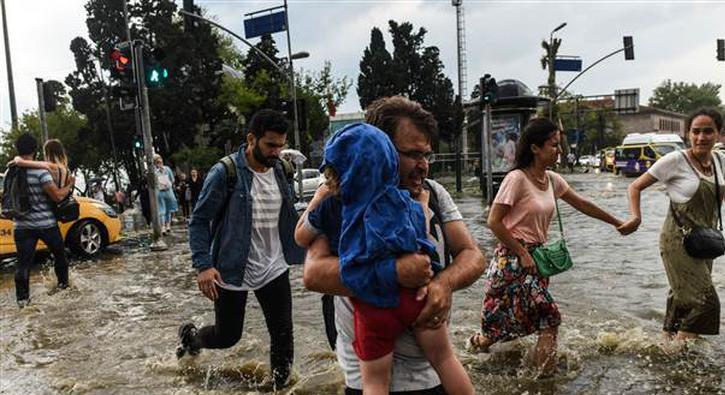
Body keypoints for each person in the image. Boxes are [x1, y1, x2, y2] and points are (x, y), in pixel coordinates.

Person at [302, 96, 485, 394]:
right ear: (379, 149)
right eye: (412, 154)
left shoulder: (433, 193)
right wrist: (394, 271)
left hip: (431, 375)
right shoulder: (342, 198)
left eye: (427, 154)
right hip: (368, 378)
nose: (423, 166)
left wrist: (443, 284)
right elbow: (313, 273)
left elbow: (473, 255)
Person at [468, 118, 625, 376]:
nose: (560, 150)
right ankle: (545, 382)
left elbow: (583, 203)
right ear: (535, 148)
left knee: (510, 324)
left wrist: (617, 222)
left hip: (537, 262)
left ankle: (480, 342)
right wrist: (521, 252)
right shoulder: (516, 179)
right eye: (554, 145)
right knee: (549, 319)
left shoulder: (552, 180)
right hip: (513, 261)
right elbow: (493, 222)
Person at [176, 109, 304, 389]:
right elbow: (198, 220)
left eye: (281, 145)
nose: (276, 152)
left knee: (283, 334)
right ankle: (192, 338)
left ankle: (279, 389)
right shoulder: (226, 173)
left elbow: (288, 215)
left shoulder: (282, 170)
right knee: (228, 336)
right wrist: (203, 265)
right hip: (232, 267)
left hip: (274, 266)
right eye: (270, 145)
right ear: (251, 139)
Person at [619, 108, 723, 345]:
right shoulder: (675, 160)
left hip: (707, 241)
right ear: (688, 133)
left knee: (683, 296)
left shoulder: (720, 161)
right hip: (678, 241)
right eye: (696, 131)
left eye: (708, 131)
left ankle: (665, 348)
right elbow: (634, 187)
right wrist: (636, 216)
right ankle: (679, 356)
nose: (701, 137)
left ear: (718, 134)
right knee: (705, 303)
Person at [9, 134, 74, 308]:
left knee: (23, 265)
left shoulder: (11, 171)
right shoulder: (40, 172)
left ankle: (22, 302)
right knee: (60, 257)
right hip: (46, 224)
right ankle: (63, 290)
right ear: (35, 150)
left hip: (21, 226)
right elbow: (58, 196)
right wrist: (70, 185)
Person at [153, 154, 177, 234]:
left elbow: (154, 183)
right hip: (167, 191)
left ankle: (164, 227)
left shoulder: (154, 172)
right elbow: (172, 180)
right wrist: (168, 183)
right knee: (167, 209)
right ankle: (167, 226)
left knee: (162, 210)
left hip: (160, 192)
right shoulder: (167, 169)